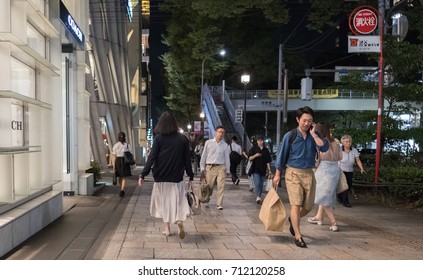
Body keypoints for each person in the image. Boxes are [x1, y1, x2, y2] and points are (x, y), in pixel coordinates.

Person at [273, 106, 329, 248]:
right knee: (296, 204)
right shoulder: (290, 136)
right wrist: (278, 173)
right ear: (298, 119)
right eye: (304, 120)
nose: (306, 123)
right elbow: (282, 155)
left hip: (309, 173)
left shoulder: (314, 135)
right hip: (293, 173)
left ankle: (293, 220)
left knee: (308, 206)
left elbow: (324, 148)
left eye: (309, 121)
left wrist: (315, 134)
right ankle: (298, 236)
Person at [138, 112, 194, 239]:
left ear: (161, 124)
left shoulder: (158, 138)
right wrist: (190, 176)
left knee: (163, 203)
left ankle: (167, 228)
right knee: (178, 201)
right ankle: (179, 220)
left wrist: (143, 174)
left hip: (161, 177)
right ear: (174, 124)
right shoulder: (182, 139)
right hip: (176, 177)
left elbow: (151, 158)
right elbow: (187, 161)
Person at [307, 122, 342, 231]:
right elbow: (340, 156)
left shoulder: (320, 142)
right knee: (326, 195)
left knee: (323, 197)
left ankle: (334, 222)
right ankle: (319, 217)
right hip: (335, 169)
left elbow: (318, 158)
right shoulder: (335, 141)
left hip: (324, 169)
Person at [199, 125, 230, 210]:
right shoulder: (208, 143)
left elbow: (227, 157)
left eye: (222, 132)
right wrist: (202, 168)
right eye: (219, 132)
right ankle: (206, 198)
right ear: (215, 133)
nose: (220, 134)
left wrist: (228, 168)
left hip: (221, 167)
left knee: (221, 186)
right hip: (210, 167)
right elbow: (204, 155)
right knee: (210, 186)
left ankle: (219, 204)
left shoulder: (225, 145)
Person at [338, 134, 366, 207]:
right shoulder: (339, 150)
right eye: (346, 142)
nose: (348, 143)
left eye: (350, 141)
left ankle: (339, 196)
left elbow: (358, 160)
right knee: (345, 186)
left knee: (349, 185)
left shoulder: (354, 150)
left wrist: (361, 168)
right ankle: (346, 202)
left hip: (350, 170)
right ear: (343, 143)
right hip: (341, 171)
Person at [248, 135, 272, 204]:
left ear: (263, 141)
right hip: (255, 169)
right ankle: (258, 197)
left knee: (261, 184)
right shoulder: (254, 149)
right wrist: (255, 155)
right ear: (257, 141)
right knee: (257, 183)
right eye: (258, 141)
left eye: (261, 140)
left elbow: (268, 161)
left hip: (263, 169)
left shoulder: (266, 150)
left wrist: (269, 170)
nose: (260, 142)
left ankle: (259, 196)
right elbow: (249, 158)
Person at [112, 132, 132, 197]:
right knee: (123, 176)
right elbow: (130, 153)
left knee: (119, 176)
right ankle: (122, 189)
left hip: (118, 160)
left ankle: (121, 188)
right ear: (124, 137)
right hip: (124, 161)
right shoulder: (127, 145)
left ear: (118, 137)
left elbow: (114, 156)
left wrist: (113, 165)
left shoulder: (116, 145)